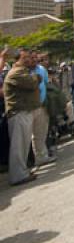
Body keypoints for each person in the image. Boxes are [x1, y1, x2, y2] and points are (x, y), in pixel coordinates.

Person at [4, 48, 41, 185]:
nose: (28, 60)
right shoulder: (17, 73)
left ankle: (22, 171)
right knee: (18, 147)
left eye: (28, 57)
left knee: (24, 145)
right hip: (18, 113)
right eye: (24, 58)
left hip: (23, 112)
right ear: (17, 59)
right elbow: (32, 83)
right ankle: (18, 175)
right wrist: (37, 77)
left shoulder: (22, 72)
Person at [30, 51, 56, 166]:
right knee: (34, 134)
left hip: (43, 104)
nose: (35, 60)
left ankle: (43, 155)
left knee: (42, 132)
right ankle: (37, 157)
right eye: (32, 58)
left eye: (36, 57)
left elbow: (46, 84)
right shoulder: (26, 72)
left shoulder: (41, 69)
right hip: (31, 107)